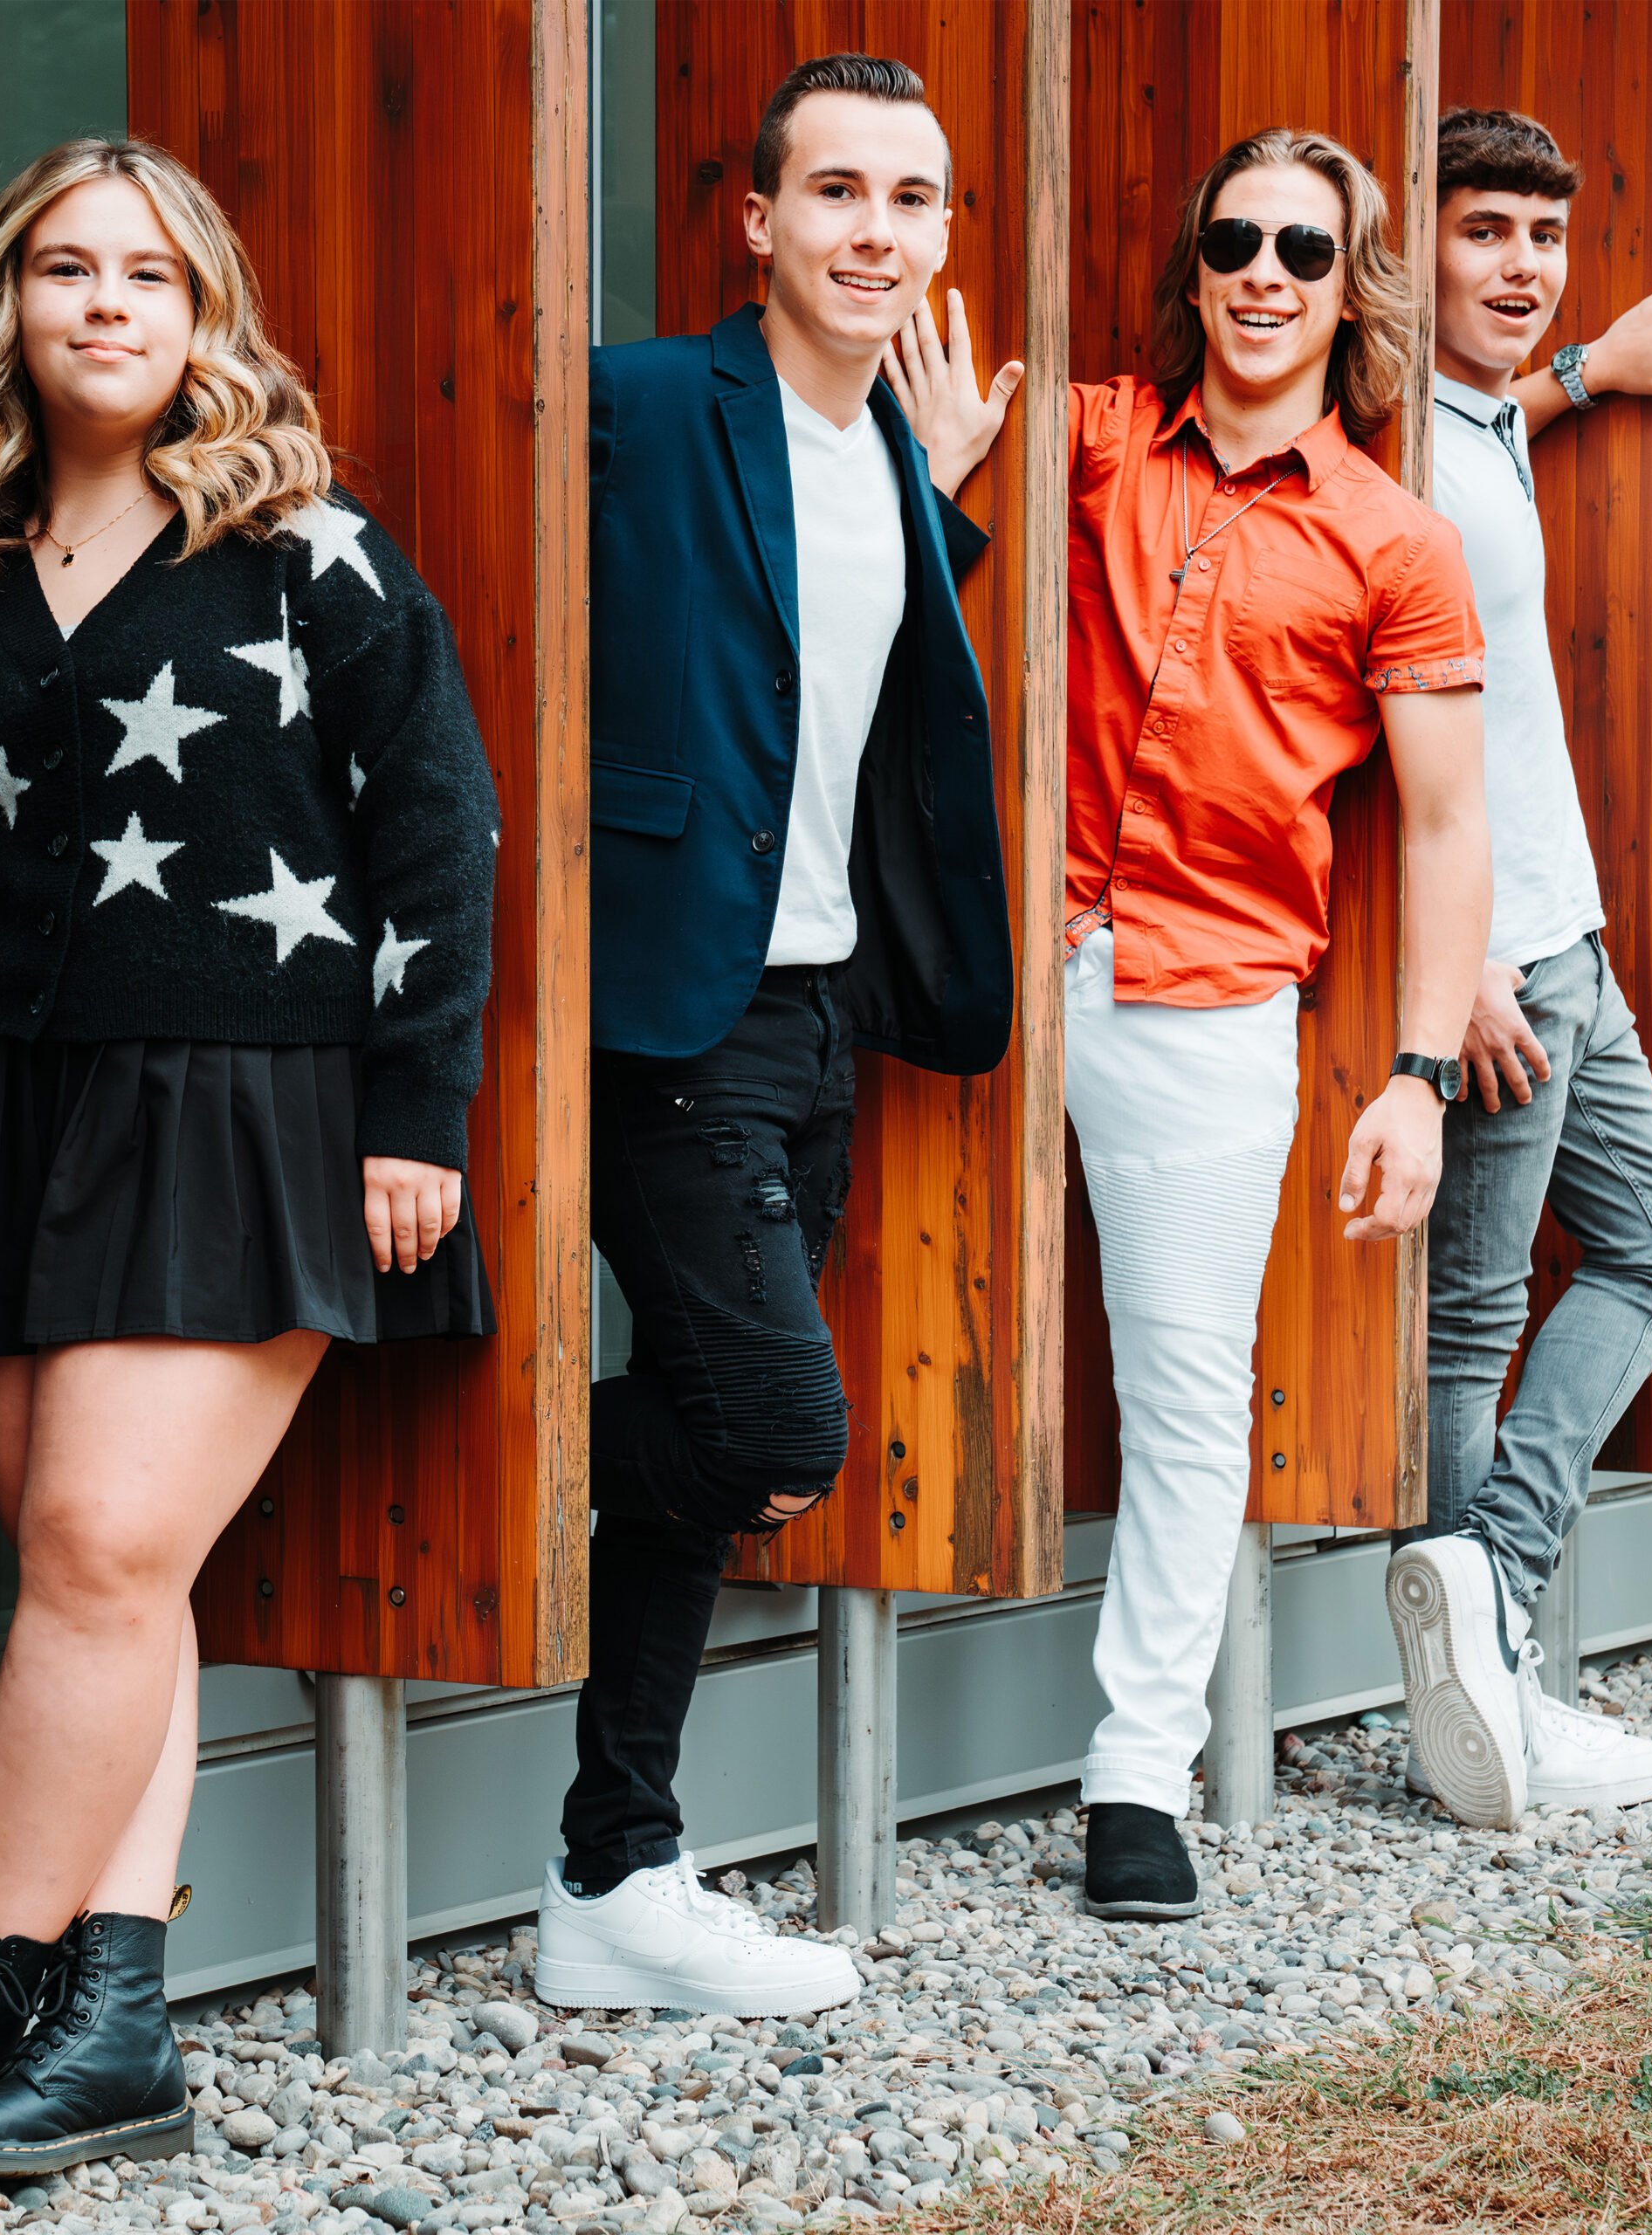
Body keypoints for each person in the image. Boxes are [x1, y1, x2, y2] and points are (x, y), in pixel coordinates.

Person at [0, 139, 498, 2182]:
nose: (105, 302)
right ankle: (114, 2026)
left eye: (148, 274)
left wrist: (418, 1108)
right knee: (110, 1576)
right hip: (14, 1102)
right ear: (8, 301)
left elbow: (439, 823)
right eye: (66, 267)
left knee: (91, 1546)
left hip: (245, 1096)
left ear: (202, 313)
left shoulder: (302, 543)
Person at [534, 53, 1022, 2014]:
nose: (873, 233)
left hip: (818, 1008)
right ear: (756, 219)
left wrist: (945, 496)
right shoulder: (639, 402)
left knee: (708, 1450)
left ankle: (612, 1873)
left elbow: (815, 662)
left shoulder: (895, 459)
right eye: (835, 192)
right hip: (670, 1003)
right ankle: (456, 1465)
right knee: (766, 1427)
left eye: (910, 200)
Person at [1066, 129, 1492, 1919]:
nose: (1263, 274)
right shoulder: (1090, 439)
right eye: (1235, 240)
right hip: (997, 974)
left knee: (1182, 1394)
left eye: (1303, 252)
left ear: (1349, 290)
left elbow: (1447, 825)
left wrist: (1415, 1074)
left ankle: (1133, 1772)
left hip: (1208, 995)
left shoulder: (1395, 538)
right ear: (1195, 268)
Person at [1386, 107, 1652, 1829]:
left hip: (1568, 940)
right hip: (1498, 964)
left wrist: (1587, 368)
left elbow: (1496, 405)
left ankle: (1484, 1620)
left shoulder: (1475, 420)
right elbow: (1358, 738)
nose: (1522, 266)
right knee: (1473, 1323)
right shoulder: (1394, 453)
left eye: (1542, 234)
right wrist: (1448, 968)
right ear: (1413, 250)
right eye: (1484, 232)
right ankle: (1485, 1671)